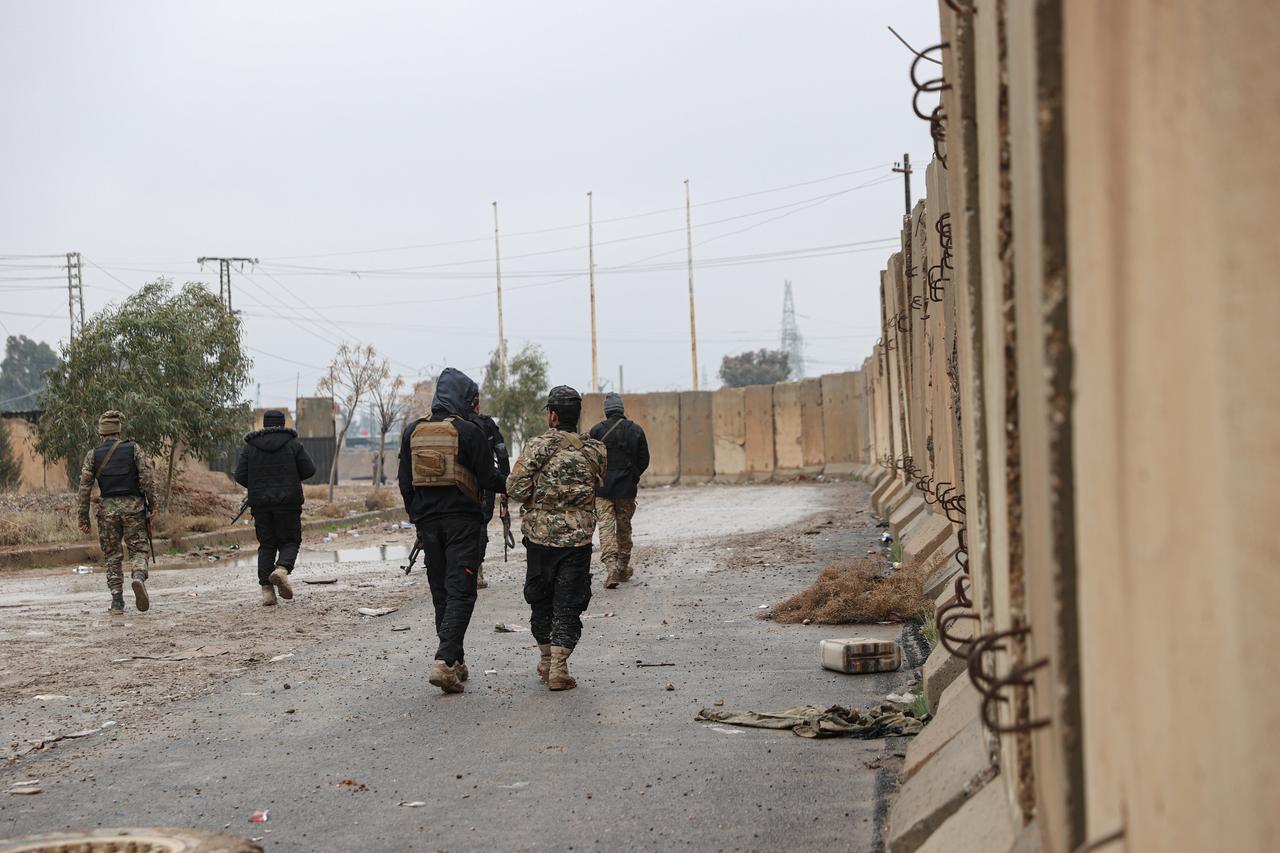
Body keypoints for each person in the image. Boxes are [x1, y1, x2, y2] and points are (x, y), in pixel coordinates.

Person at [398, 368, 507, 694]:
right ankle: (444, 661)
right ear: (463, 398)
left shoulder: (413, 432)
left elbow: (405, 483)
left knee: (442, 593)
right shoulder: (469, 431)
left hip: (429, 526)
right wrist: (515, 485)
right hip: (463, 524)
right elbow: (489, 478)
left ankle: (455, 662)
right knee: (462, 591)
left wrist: (418, 516)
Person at [506, 385, 605, 691]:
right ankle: (559, 668)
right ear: (577, 416)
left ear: (552, 415)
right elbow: (595, 486)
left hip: (539, 540)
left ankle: (548, 660)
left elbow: (515, 488)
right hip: (577, 541)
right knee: (569, 602)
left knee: (541, 598)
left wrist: (542, 494)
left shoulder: (537, 447)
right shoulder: (595, 450)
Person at [76, 410, 158, 615]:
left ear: (102, 434)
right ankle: (138, 577)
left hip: (107, 512)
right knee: (139, 550)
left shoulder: (93, 455)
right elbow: (147, 478)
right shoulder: (134, 449)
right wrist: (152, 503)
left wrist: (83, 518)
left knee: (112, 556)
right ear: (118, 433)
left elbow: (84, 488)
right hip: (134, 509)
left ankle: (117, 602)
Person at [234, 410, 317, 606]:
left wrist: (258, 486)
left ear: (263, 425)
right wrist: (290, 480)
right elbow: (309, 470)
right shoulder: (293, 444)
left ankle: (267, 593)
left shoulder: (250, 447)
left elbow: (239, 475)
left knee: (267, 545)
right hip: (288, 503)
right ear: (283, 423)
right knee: (289, 541)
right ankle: (281, 570)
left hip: (261, 505)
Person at [588, 392, 650, 588]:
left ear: (606, 411)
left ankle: (611, 569)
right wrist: (633, 475)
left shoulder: (596, 431)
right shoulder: (636, 430)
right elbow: (644, 459)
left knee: (606, 529)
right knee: (624, 529)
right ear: (621, 409)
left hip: (603, 490)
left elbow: (590, 459)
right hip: (626, 490)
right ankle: (623, 567)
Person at [469, 399, 511, 590]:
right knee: (480, 523)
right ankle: (476, 570)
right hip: (485, 483)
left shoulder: (451, 424)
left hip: (457, 485)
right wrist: (505, 486)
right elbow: (501, 454)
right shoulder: (487, 425)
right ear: (477, 406)